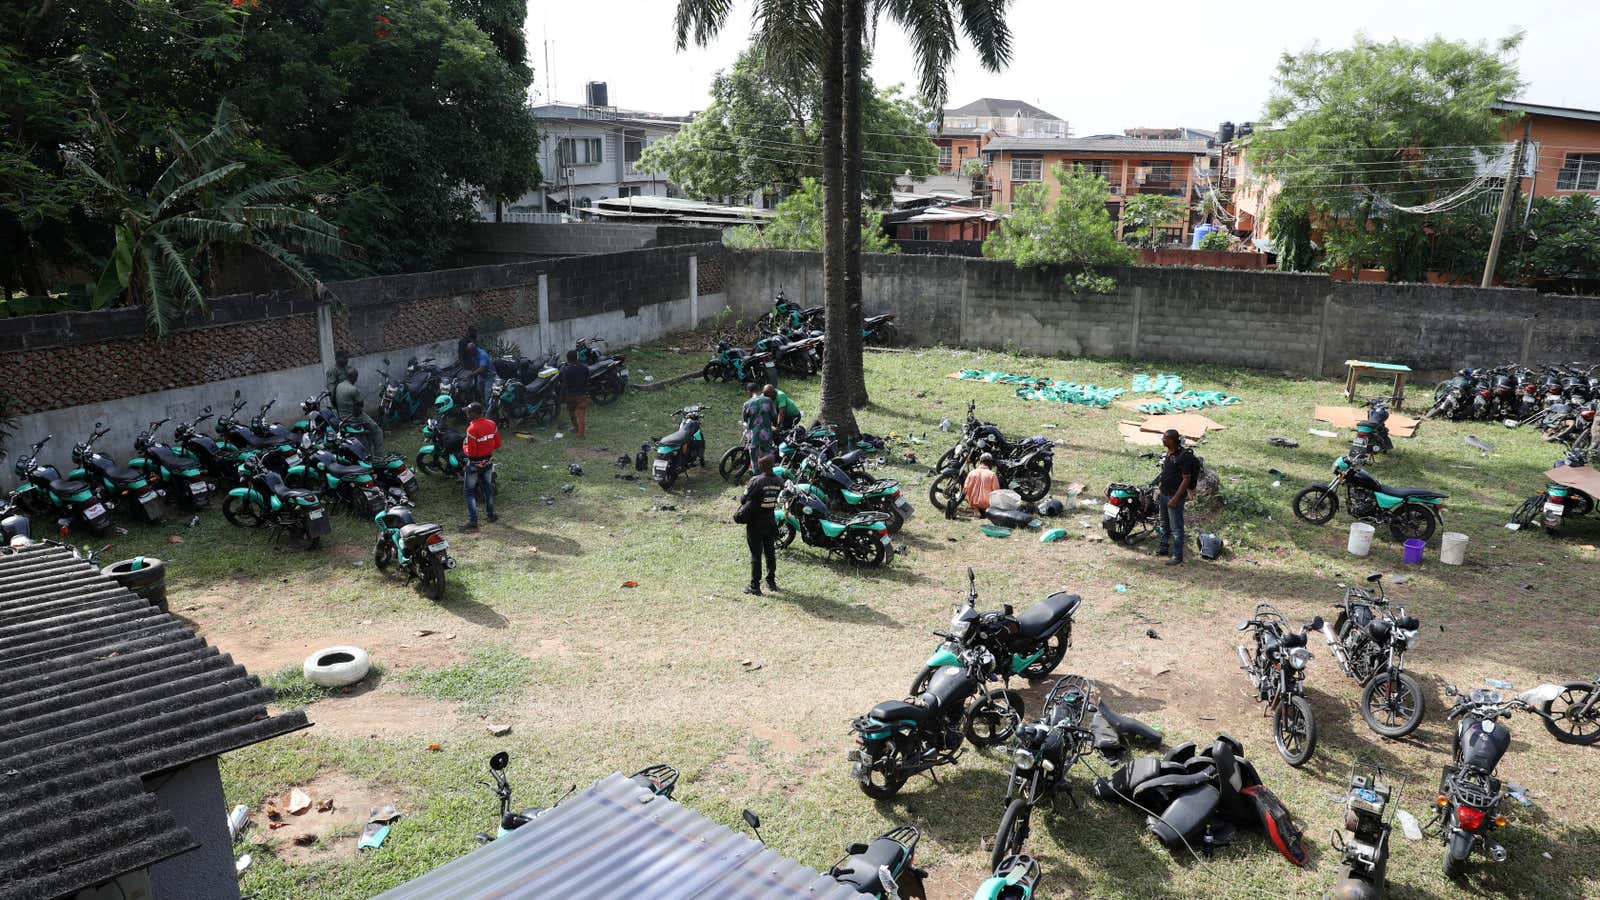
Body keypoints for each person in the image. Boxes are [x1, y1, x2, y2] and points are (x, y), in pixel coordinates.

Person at [739, 455, 785, 595]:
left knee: (756, 554)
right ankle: (771, 582)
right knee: (770, 553)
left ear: (763, 466)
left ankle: (755, 587)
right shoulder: (779, 481)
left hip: (755, 522)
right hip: (770, 520)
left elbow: (743, 500)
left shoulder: (756, 481)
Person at [1156, 429, 1199, 565]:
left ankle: (1177, 555)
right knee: (1164, 523)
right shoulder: (1169, 453)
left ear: (1174, 440)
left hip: (1174, 496)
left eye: (1166, 438)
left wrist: (1175, 498)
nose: (1163, 439)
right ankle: (1163, 547)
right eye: (1163, 437)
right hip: (1164, 494)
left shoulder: (1183, 456)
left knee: (1177, 528)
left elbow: (1186, 479)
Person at [462, 401, 500, 530]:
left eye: (468, 412)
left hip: (474, 464)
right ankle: (490, 515)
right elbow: (497, 443)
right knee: (488, 488)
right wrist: (487, 449)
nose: (466, 414)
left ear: (473, 414)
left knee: (469, 492)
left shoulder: (471, 429)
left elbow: (471, 453)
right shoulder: (492, 424)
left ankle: (473, 521)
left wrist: (464, 448)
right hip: (488, 462)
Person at [333, 367, 384, 456]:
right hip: (353, 417)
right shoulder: (353, 390)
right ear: (355, 377)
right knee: (377, 430)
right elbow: (360, 405)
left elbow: (334, 400)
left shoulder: (339, 386)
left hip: (342, 417)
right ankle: (379, 455)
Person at [558, 349, 590, 438]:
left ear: (568, 359)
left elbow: (565, 385)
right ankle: (581, 433)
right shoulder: (584, 368)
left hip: (571, 396)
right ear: (577, 358)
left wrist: (561, 397)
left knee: (571, 412)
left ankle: (576, 427)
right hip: (582, 395)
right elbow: (588, 379)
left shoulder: (566, 370)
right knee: (581, 414)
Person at [742, 382, 777, 461]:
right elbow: (774, 416)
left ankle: (756, 472)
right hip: (766, 434)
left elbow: (745, 419)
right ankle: (768, 471)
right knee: (768, 455)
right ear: (758, 390)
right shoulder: (768, 400)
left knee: (754, 459)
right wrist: (774, 427)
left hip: (753, 435)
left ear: (749, 391)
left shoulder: (747, 404)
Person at [463, 341, 493, 406]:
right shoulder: (473, 354)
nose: (469, 354)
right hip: (481, 377)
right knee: (481, 394)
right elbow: (475, 366)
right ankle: (485, 408)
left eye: (470, 352)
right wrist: (470, 376)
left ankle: (489, 413)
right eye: (469, 352)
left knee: (487, 395)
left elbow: (482, 368)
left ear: (474, 350)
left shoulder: (482, 354)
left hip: (489, 376)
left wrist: (470, 375)